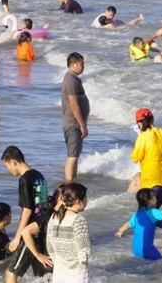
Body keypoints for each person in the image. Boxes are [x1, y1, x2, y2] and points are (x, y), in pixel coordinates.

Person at [1, 146, 51, 282]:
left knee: (10, 273)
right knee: (43, 274)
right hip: (44, 227)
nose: (8, 170)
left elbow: (27, 210)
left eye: (7, 166)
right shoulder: (39, 175)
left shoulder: (24, 180)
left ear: (13, 161)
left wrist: (18, 237)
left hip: (31, 233)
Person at [115, 187, 162, 260]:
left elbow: (128, 224)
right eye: (153, 197)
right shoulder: (153, 212)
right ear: (149, 201)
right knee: (161, 264)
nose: (156, 198)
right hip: (147, 248)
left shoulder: (137, 214)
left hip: (136, 248)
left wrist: (121, 231)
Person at [130, 108, 162, 208]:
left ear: (139, 123)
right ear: (152, 119)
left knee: (144, 213)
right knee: (153, 212)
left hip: (151, 181)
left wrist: (138, 136)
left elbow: (135, 158)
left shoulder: (142, 137)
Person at [46, 183, 91, 281]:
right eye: (86, 198)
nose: (87, 201)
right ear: (78, 201)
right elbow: (84, 252)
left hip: (59, 271)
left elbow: (49, 245)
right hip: (76, 273)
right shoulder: (78, 220)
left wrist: (58, 259)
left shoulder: (54, 217)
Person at [61, 53, 90, 182]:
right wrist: (82, 125)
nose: (83, 66)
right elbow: (73, 104)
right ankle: (69, 185)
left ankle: (73, 181)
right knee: (72, 156)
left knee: (75, 155)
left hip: (74, 123)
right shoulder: (71, 80)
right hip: (73, 123)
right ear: (73, 65)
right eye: (81, 64)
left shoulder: (73, 78)